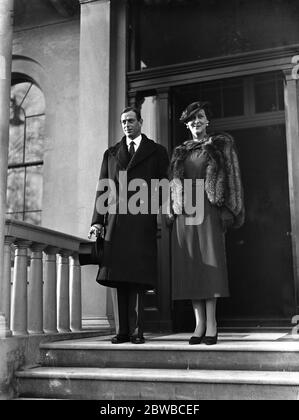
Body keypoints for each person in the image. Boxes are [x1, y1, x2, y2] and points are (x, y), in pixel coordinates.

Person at [89, 106, 169, 345]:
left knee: (137, 277)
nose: (126, 125)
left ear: (141, 122)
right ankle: (122, 331)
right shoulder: (111, 153)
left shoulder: (156, 152)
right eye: (123, 121)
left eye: (131, 121)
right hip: (115, 223)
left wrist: (153, 210)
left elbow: (164, 185)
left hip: (141, 221)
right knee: (119, 278)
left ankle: (137, 331)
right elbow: (103, 188)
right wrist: (97, 222)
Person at [168, 101, 244, 345]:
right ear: (187, 125)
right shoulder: (181, 151)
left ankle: (212, 323)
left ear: (207, 121)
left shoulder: (221, 144)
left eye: (200, 117)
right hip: (186, 214)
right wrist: (171, 210)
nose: (196, 122)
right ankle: (198, 323)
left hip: (209, 210)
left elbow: (232, 177)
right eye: (191, 120)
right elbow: (172, 185)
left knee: (210, 265)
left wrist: (230, 209)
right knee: (191, 267)